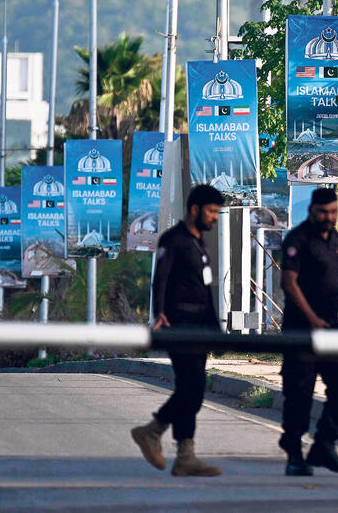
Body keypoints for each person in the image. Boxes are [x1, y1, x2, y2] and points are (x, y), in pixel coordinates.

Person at [131, 184, 224, 477]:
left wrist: (216, 330)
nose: (215, 217)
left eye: (217, 212)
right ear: (194, 209)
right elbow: (162, 278)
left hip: (199, 328)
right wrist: (159, 313)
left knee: (192, 389)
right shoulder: (173, 239)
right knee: (192, 387)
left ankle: (185, 455)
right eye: (211, 211)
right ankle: (153, 432)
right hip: (178, 324)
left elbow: (206, 290)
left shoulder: (200, 243)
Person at [278, 187, 338, 476]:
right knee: (299, 392)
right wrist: (311, 318)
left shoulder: (334, 237)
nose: (329, 217)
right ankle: (294, 454)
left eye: (333, 212)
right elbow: (289, 283)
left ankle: (324, 445)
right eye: (324, 212)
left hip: (330, 326)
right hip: (301, 327)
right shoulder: (297, 239)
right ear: (312, 209)